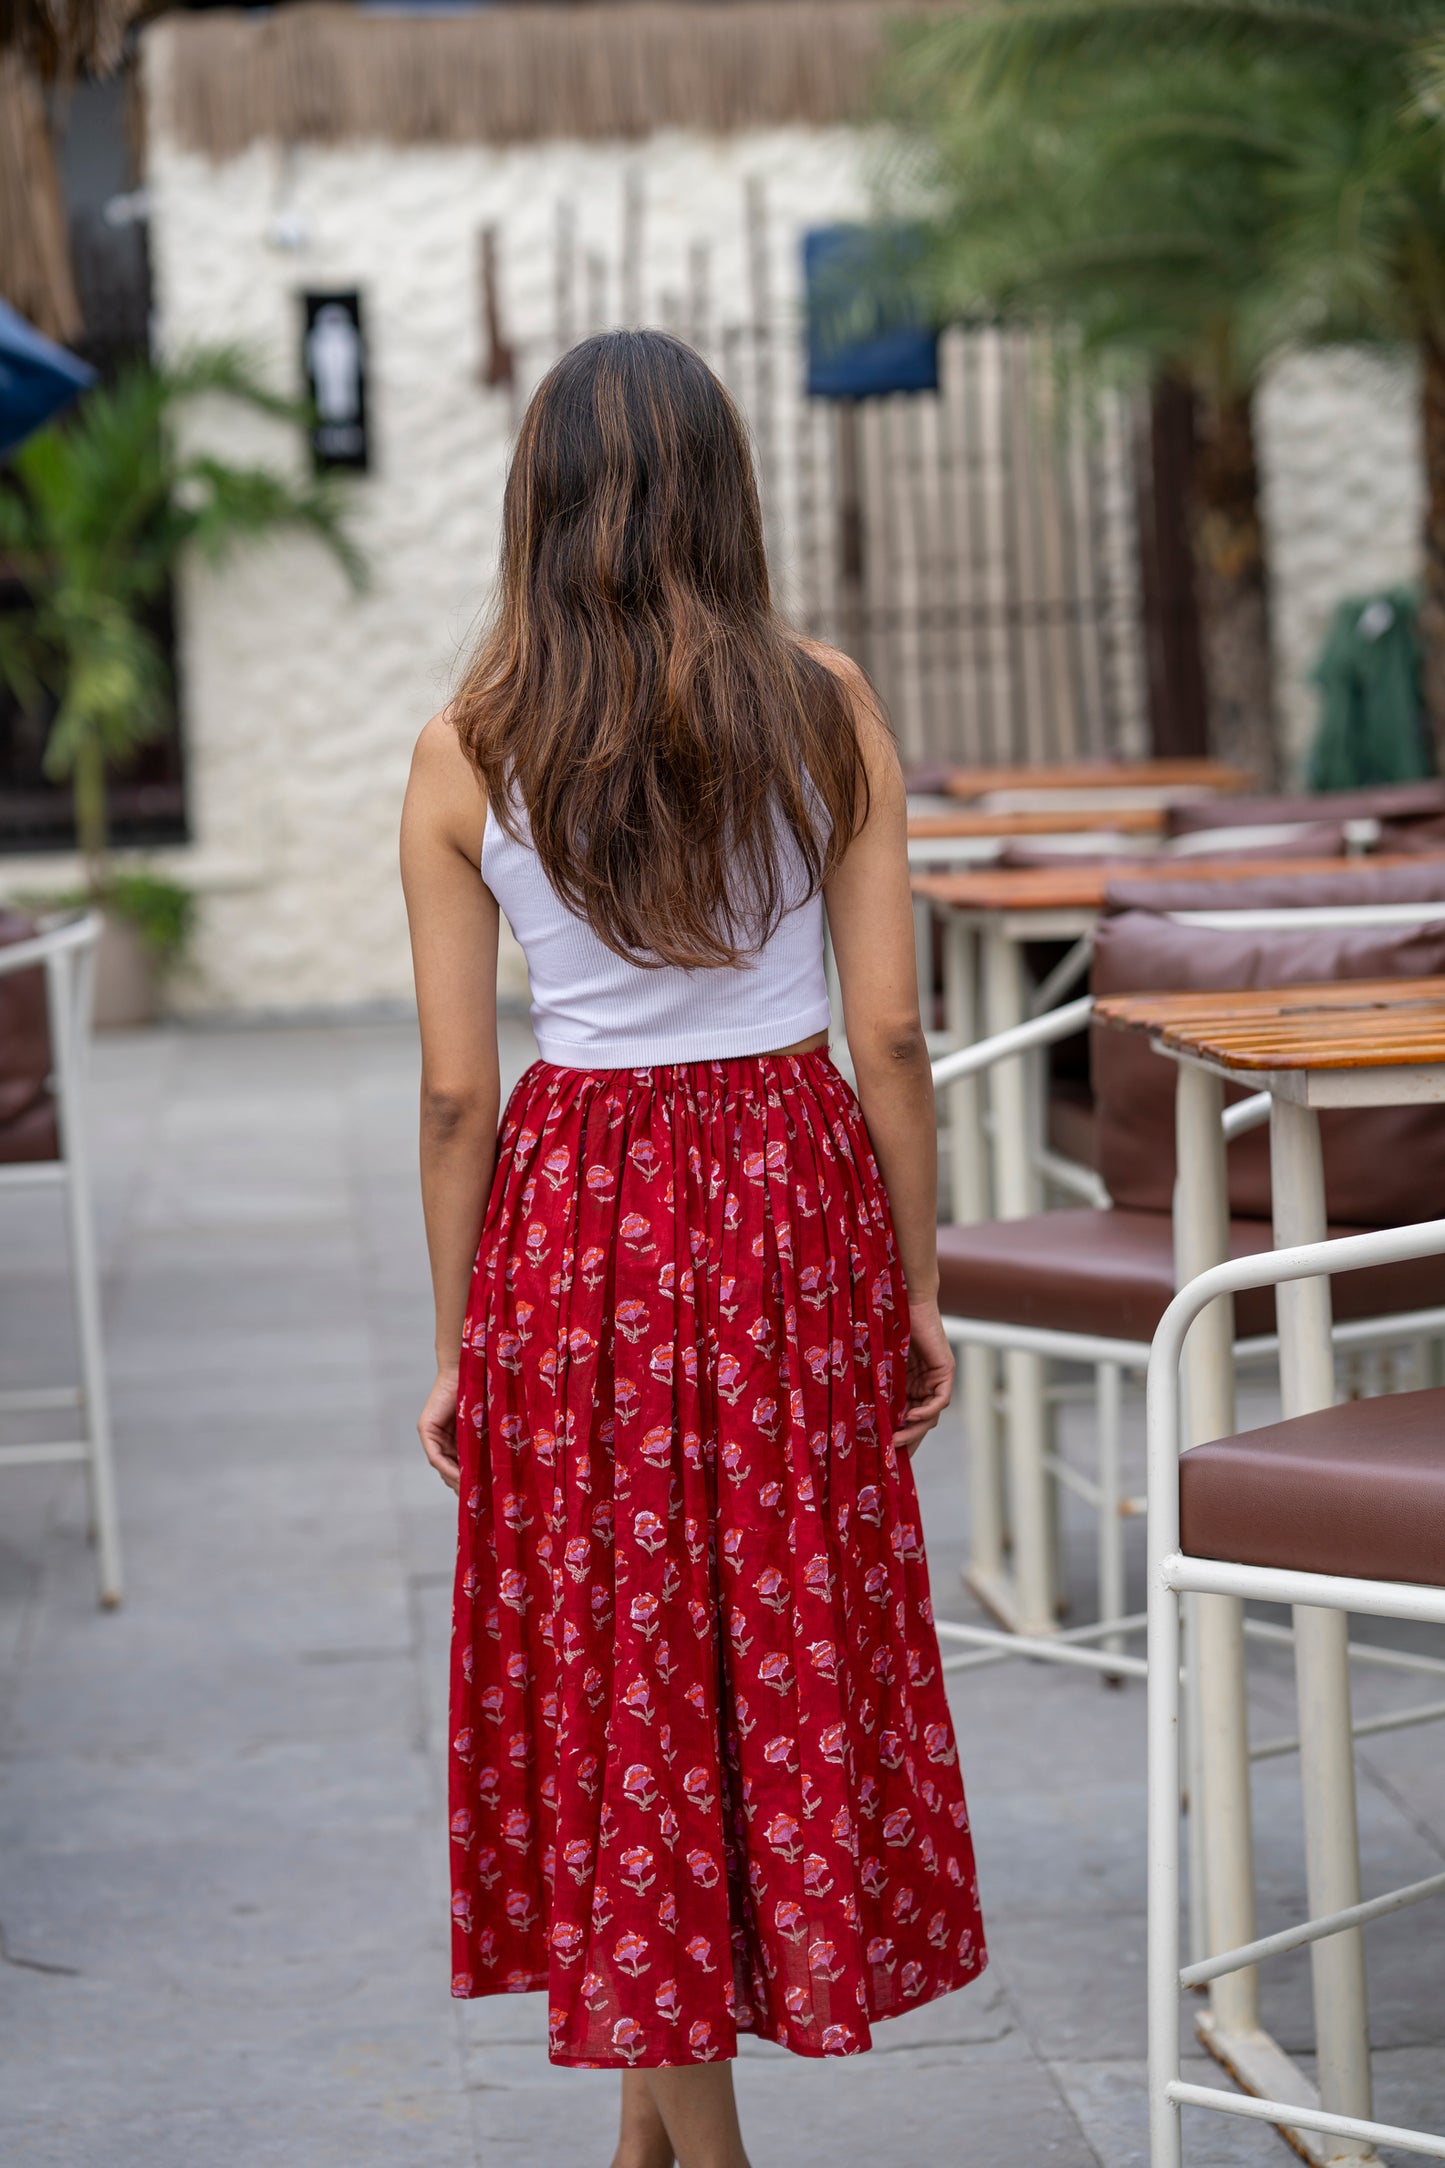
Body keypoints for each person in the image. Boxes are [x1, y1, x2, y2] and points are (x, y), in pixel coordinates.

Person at [400, 329, 986, 2168]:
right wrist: (915, 1280)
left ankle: (672, 2150)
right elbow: (893, 1033)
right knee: (761, 1644)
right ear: (726, 496)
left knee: (625, 1669)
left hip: (579, 1218)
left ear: (538, 506)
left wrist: (459, 1344)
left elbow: (448, 1098)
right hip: (788, 1196)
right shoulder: (824, 706)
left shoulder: (465, 746)